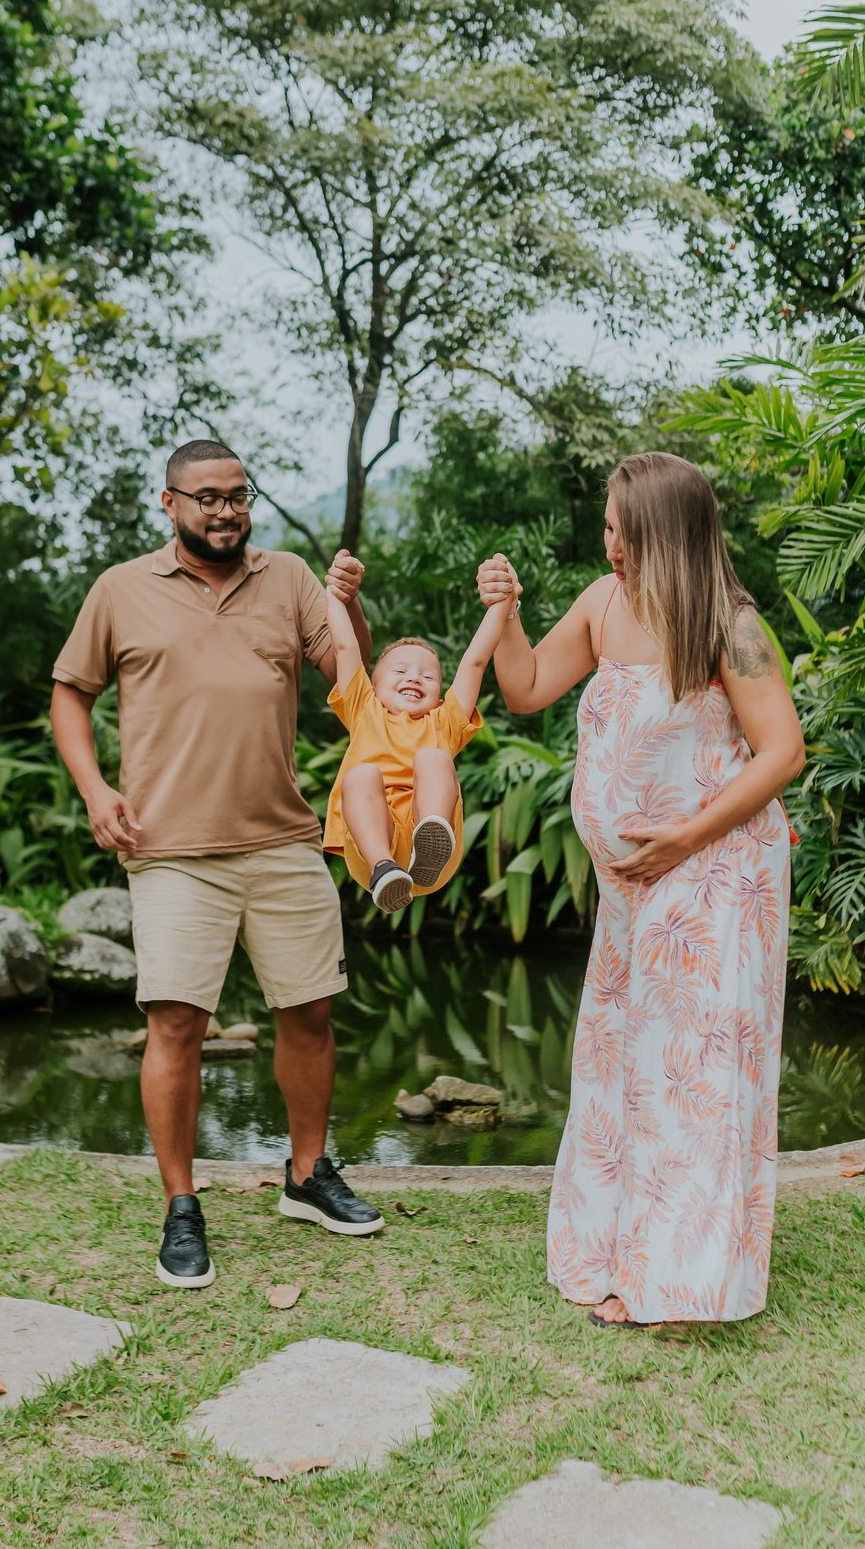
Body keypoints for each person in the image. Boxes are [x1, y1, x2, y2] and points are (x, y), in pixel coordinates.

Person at [477, 452, 805, 1327]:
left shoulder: (728, 624)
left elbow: (782, 752)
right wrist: (506, 616)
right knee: (623, 1062)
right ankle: (616, 1249)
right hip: (634, 893)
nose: (610, 546)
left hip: (716, 876)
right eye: (608, 529)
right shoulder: (603, 603)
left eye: (623, 531)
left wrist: (685, 839)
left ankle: (674, 1278)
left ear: (666, 533)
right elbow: (525, 688)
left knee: (689, 1071)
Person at [51, 439, 386, 1292]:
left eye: (238, 495)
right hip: (169, 849)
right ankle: (181, 1207)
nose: (226, 510)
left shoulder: (290, 579)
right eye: (207, 497)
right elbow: (71, 693)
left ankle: (307, 1175)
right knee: (176, 1025)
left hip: (282, 839)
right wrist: (94, 789)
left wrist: (348, 607)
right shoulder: (120, 589)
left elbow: (350, 679)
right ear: (169, 503)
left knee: (310, 1012)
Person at [322, 579, 514, 912]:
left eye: (428, 676)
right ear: (372, 687)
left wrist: (502, 602)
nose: (414, 678)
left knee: (432, 758)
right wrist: (334, 595)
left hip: (432, 858)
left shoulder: (444, 721)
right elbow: (344, 647)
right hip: (370, 848)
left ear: (439, 696)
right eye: (400, 670)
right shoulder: (364, 709)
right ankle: (384, 868)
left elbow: (475, 661)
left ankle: (431, 839)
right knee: (361, 775)